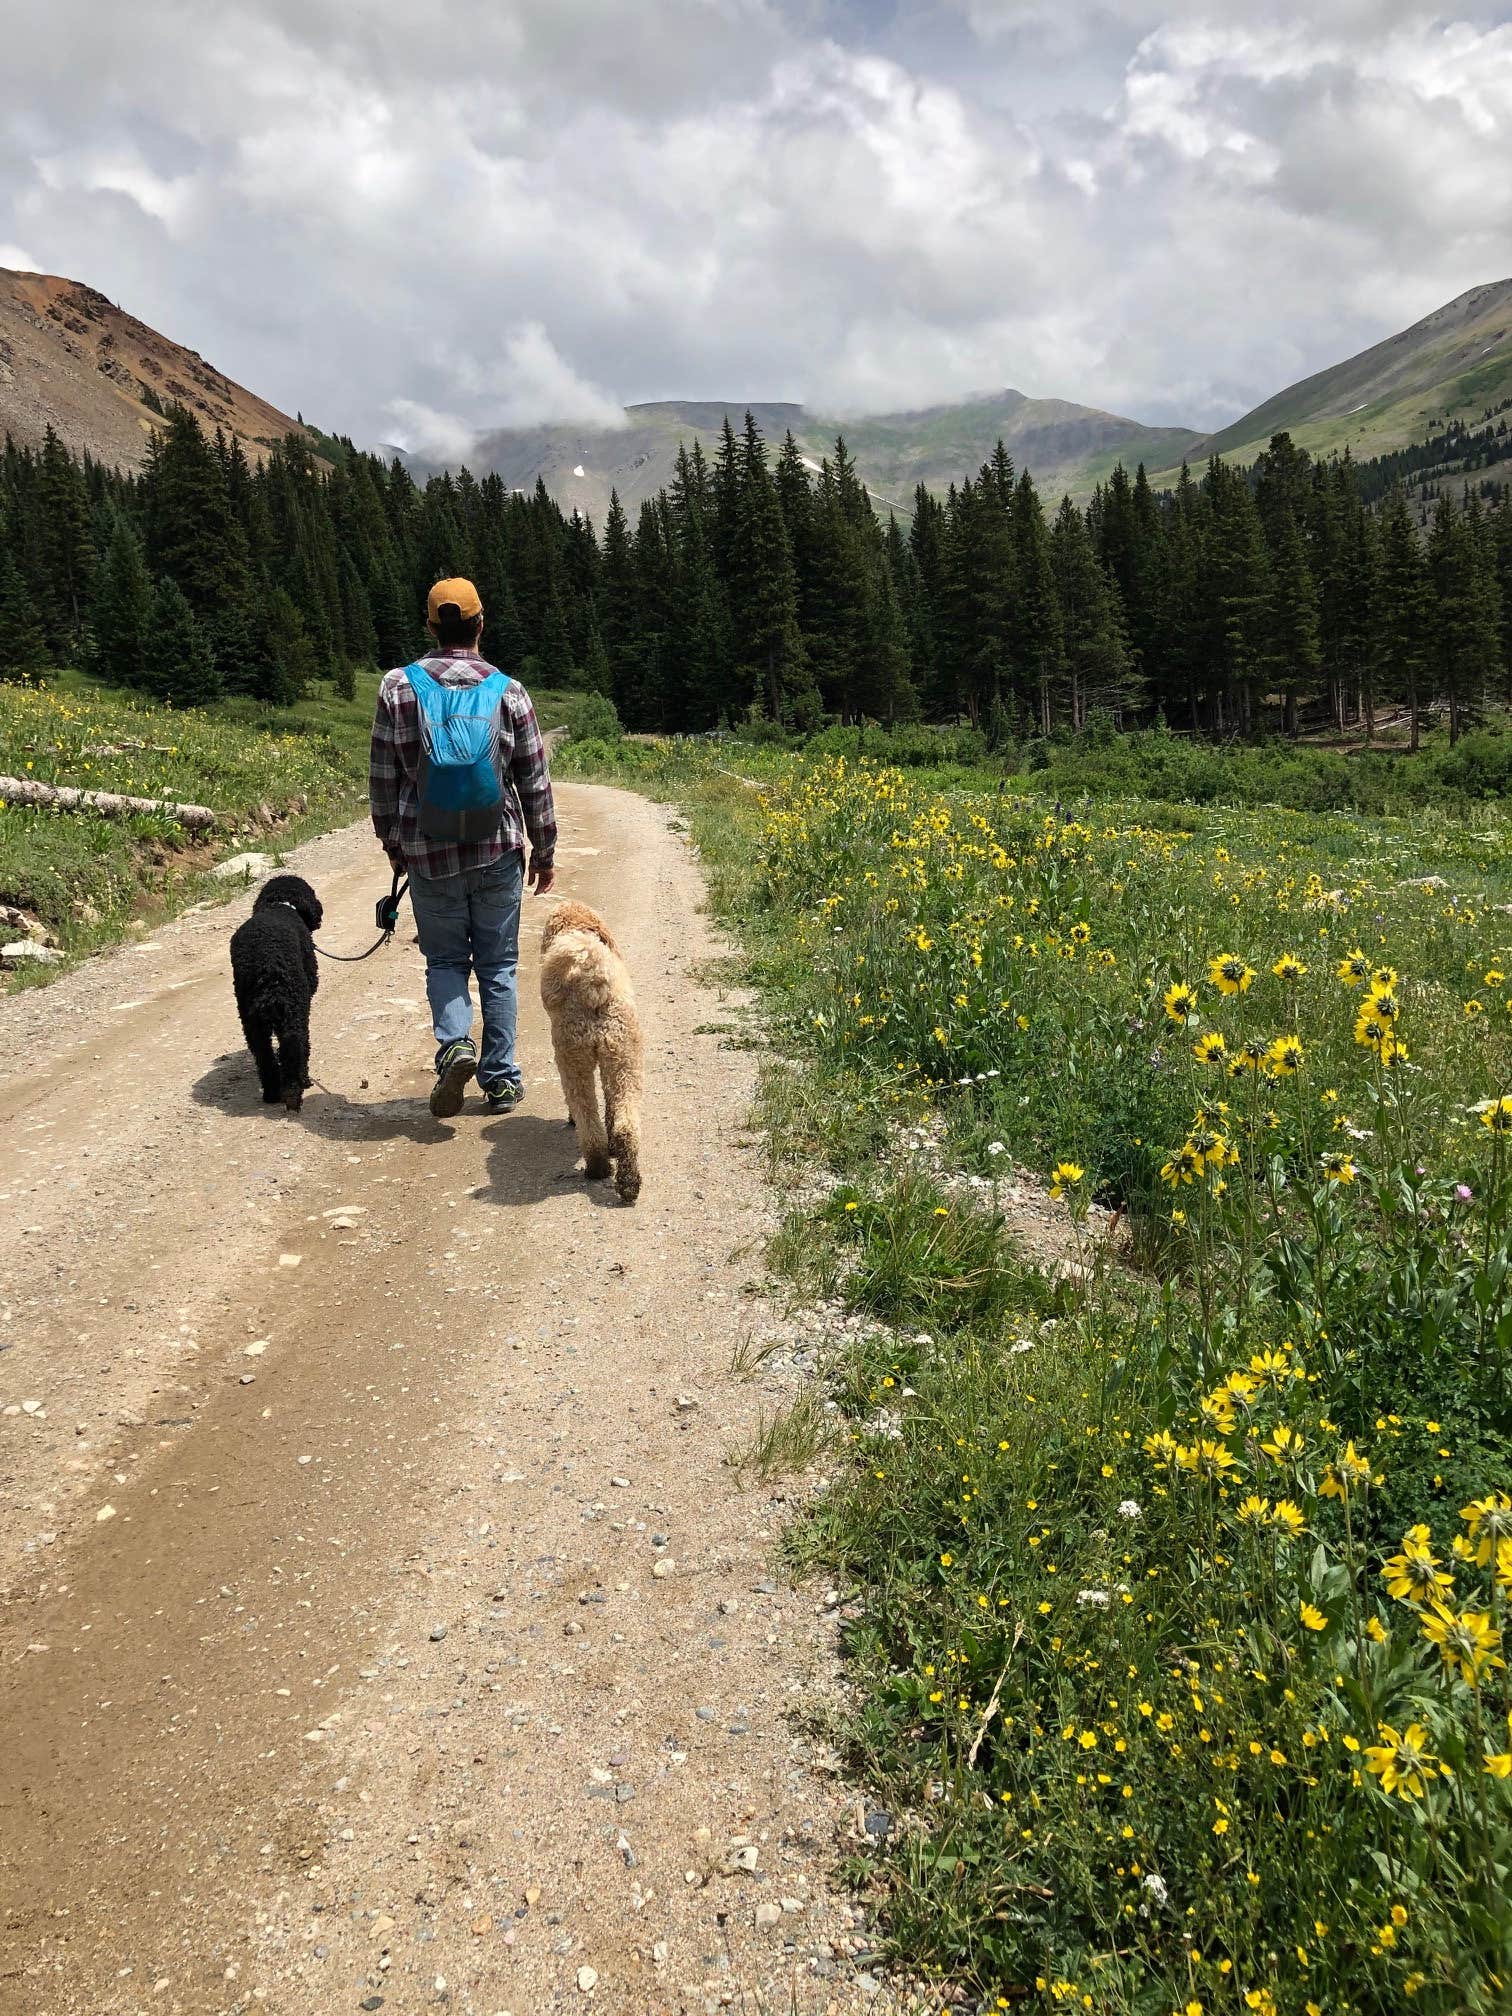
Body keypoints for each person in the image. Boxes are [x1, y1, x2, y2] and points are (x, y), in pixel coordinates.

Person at [369, 578, 557, 1118]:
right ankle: (501, 1081)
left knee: (445, 960)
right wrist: (544, 851)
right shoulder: (509, 691)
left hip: (428, 851)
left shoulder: (397, 688)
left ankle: (455, 1045)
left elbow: (383, 778)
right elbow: (534, 780)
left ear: (431, 627)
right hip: (497, 849)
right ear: (480, 624)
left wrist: (393, 844)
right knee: (499, 966)